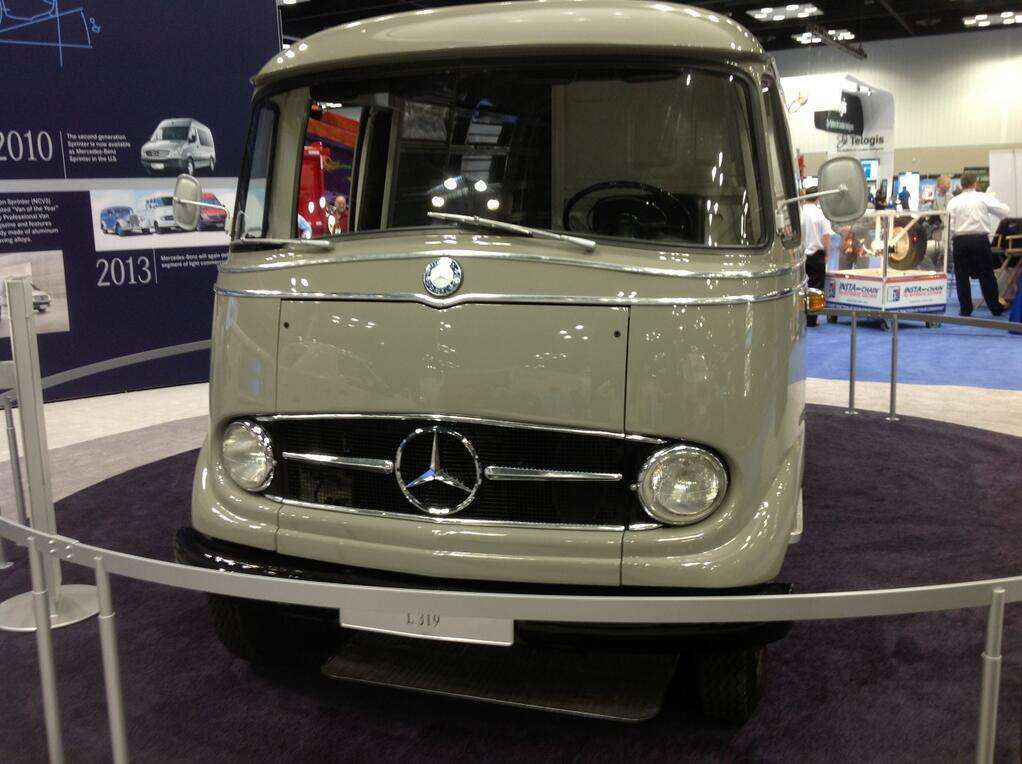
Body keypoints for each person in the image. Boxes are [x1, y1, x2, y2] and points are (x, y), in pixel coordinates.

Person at [946, 171, 1010, 316]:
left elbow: (950, 226)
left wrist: (952, 245)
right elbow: (1005, 211)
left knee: (961, 276)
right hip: (979, 241)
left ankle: (965, 309)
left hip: (960, 241)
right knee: (986, 274)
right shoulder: (983, 198)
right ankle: (995, 307)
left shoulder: (953, 202)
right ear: (975, 183)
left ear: (961, 185)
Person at [800, 183, 833, 327]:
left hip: (800, 255)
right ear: (818, 198)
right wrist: (827, 253)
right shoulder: (820, 214)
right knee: (816, 288)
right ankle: (811, 319)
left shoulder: (799, 212)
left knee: (801, 287)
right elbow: (826, 236)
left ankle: (799, 317)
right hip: (816, 255)